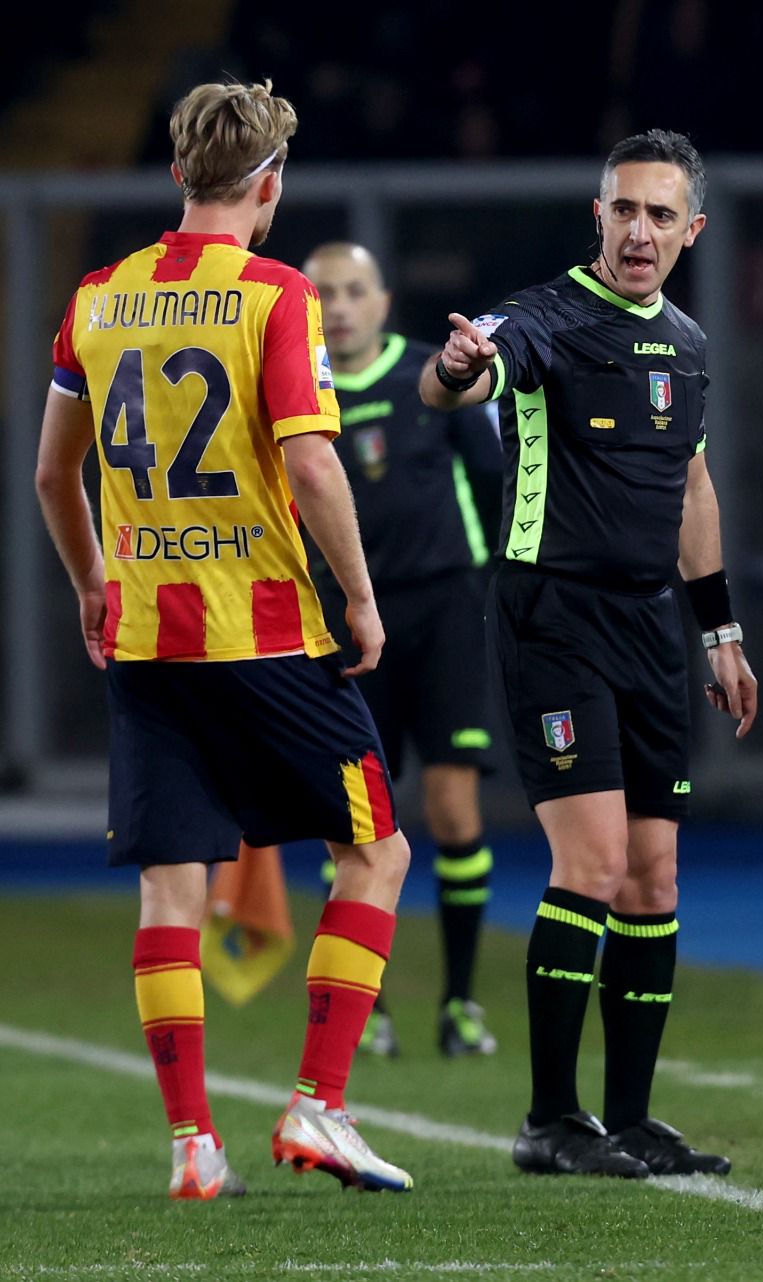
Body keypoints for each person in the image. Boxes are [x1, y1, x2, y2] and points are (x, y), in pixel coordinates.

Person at [34, 80, 414, 1198]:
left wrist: (93, 578)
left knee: (171, 888)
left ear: (177, 178)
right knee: (376, 850)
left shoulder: (96, 298)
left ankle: (192, 1145)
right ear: (269, 186)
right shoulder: (276, 295)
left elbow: (55, 472)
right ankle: (319, 1106)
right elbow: (309, 460)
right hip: (265, 634)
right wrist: (360, 596)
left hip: (147, 638)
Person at [419, 129, 756, 1178]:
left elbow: (692, 491)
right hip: (550, 616)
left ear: (691, 228)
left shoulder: (689, 345)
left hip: (652, 625)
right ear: (597, 216)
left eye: (661, 213)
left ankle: (631, 1116)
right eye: (623, 208)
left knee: (654, 878)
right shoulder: (543, 318)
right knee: (595, 863)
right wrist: (456, 361)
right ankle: (550, 1119)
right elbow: (457, 385)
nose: (640, 229)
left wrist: (720, 631)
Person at [303, 242, 503, 1058]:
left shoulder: (434, 378)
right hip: (343, 624)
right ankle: (367, 1010)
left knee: (453, 811)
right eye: (324, 293)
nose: (340, 306)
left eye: (355, 291)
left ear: (383, 302)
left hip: (445, 610)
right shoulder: (292, 389)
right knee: (352, 828)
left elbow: (493, 481)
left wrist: (493, 588)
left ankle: (458, 1006)